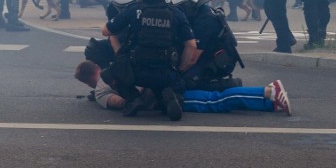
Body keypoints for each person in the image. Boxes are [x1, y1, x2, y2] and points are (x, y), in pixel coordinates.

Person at [101, 0, 196, 121]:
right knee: (171, 85)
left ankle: (133, 99)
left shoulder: (133, 10)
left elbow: (106, 31)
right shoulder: (176, 13)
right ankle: (169, 98)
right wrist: (179, 69)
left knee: (109, 73)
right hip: (166, 73)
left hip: (137, 72)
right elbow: (191, 45)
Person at [74, 60, 291, 115]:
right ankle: (269, 104)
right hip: (171, 82)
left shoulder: (101, 89)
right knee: (217, 97)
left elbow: (119, 103)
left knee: (217, 101)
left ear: (88, 81)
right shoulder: (117, 64)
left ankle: (269, 91)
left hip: (166, 99)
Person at [169, 0, 243, 90]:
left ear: (187, 6)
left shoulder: (205, 21)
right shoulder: (198, 13)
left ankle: (230, 84)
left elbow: (192, 58)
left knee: (187, 82)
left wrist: (177, 73)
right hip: (206, 54)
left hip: (219, 61)